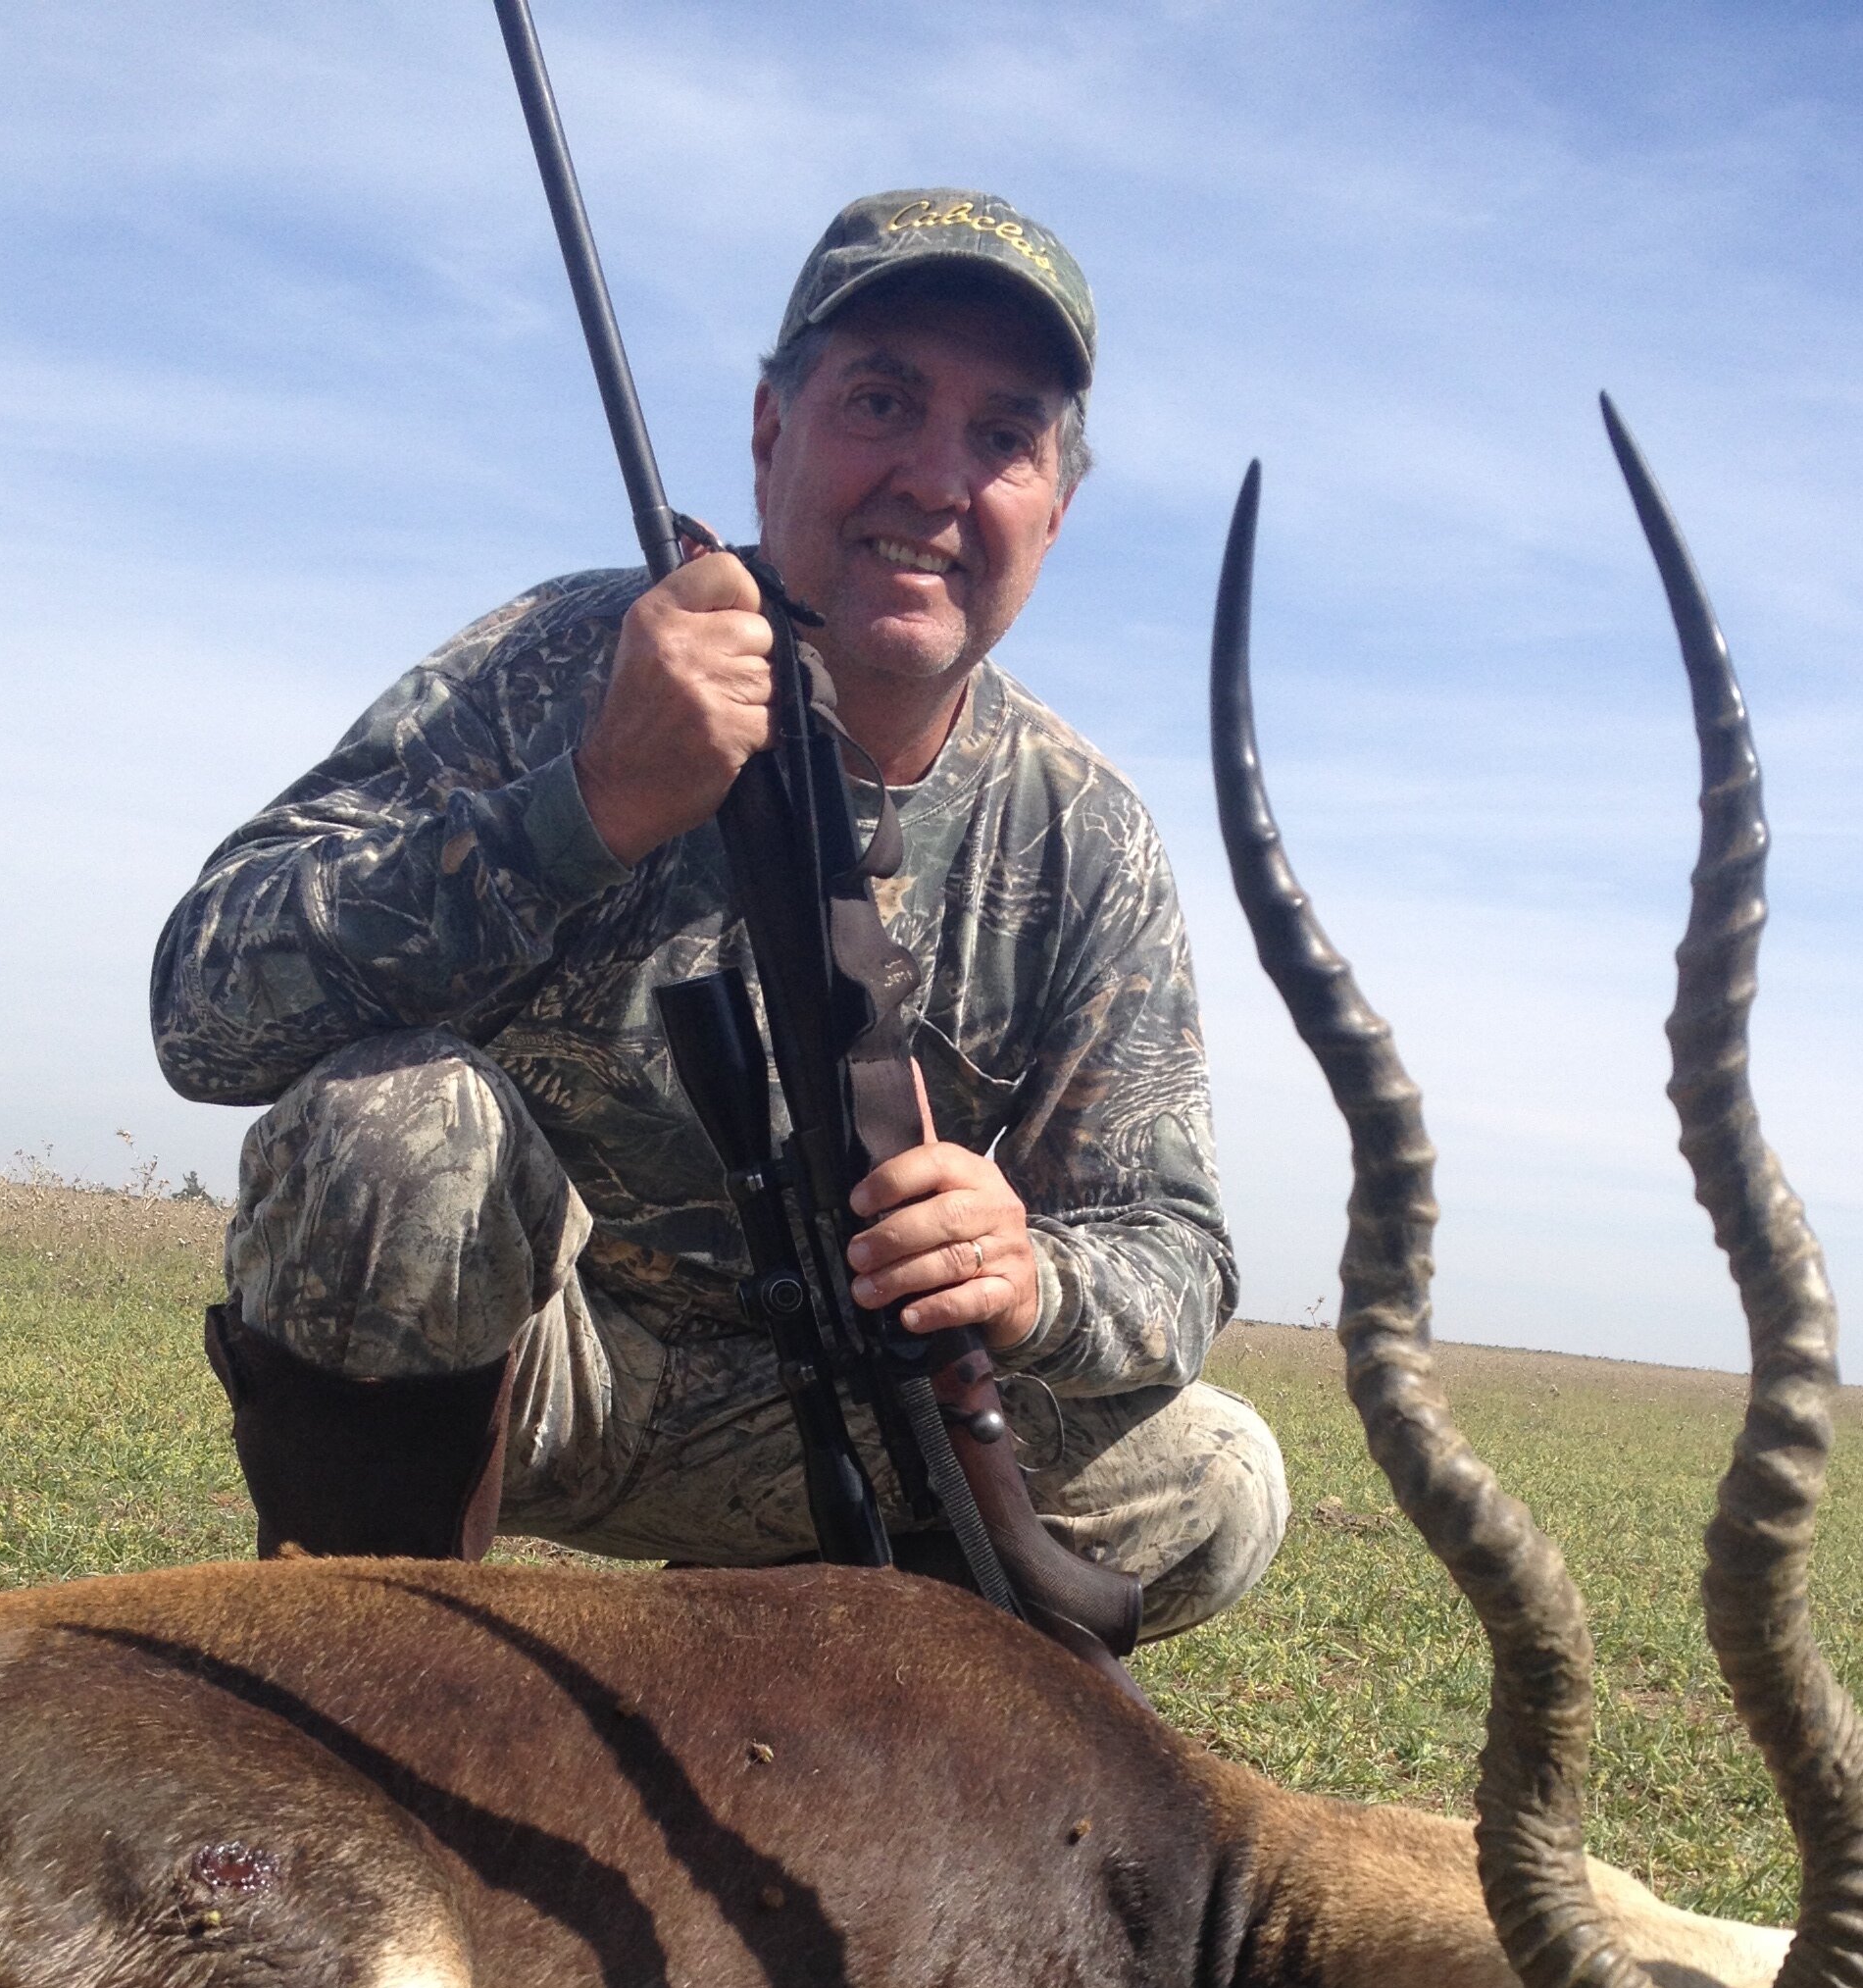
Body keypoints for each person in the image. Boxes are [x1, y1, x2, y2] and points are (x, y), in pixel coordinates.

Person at [153, 189, 1287, 1641]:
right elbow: (202, 1007)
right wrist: (588, 805)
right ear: (770, 432)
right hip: (523, 1362)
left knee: (1216, 1479)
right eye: (882, 400)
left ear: (1054, 510)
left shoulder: (1086, 833)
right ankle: (361, 1665)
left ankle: (776, 1698)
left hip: (827, 1426)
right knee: (395, 1122)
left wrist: (1028, 1271)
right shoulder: (561, 658)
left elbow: (1175, 1249)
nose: (937, 479)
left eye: (1004, 436)